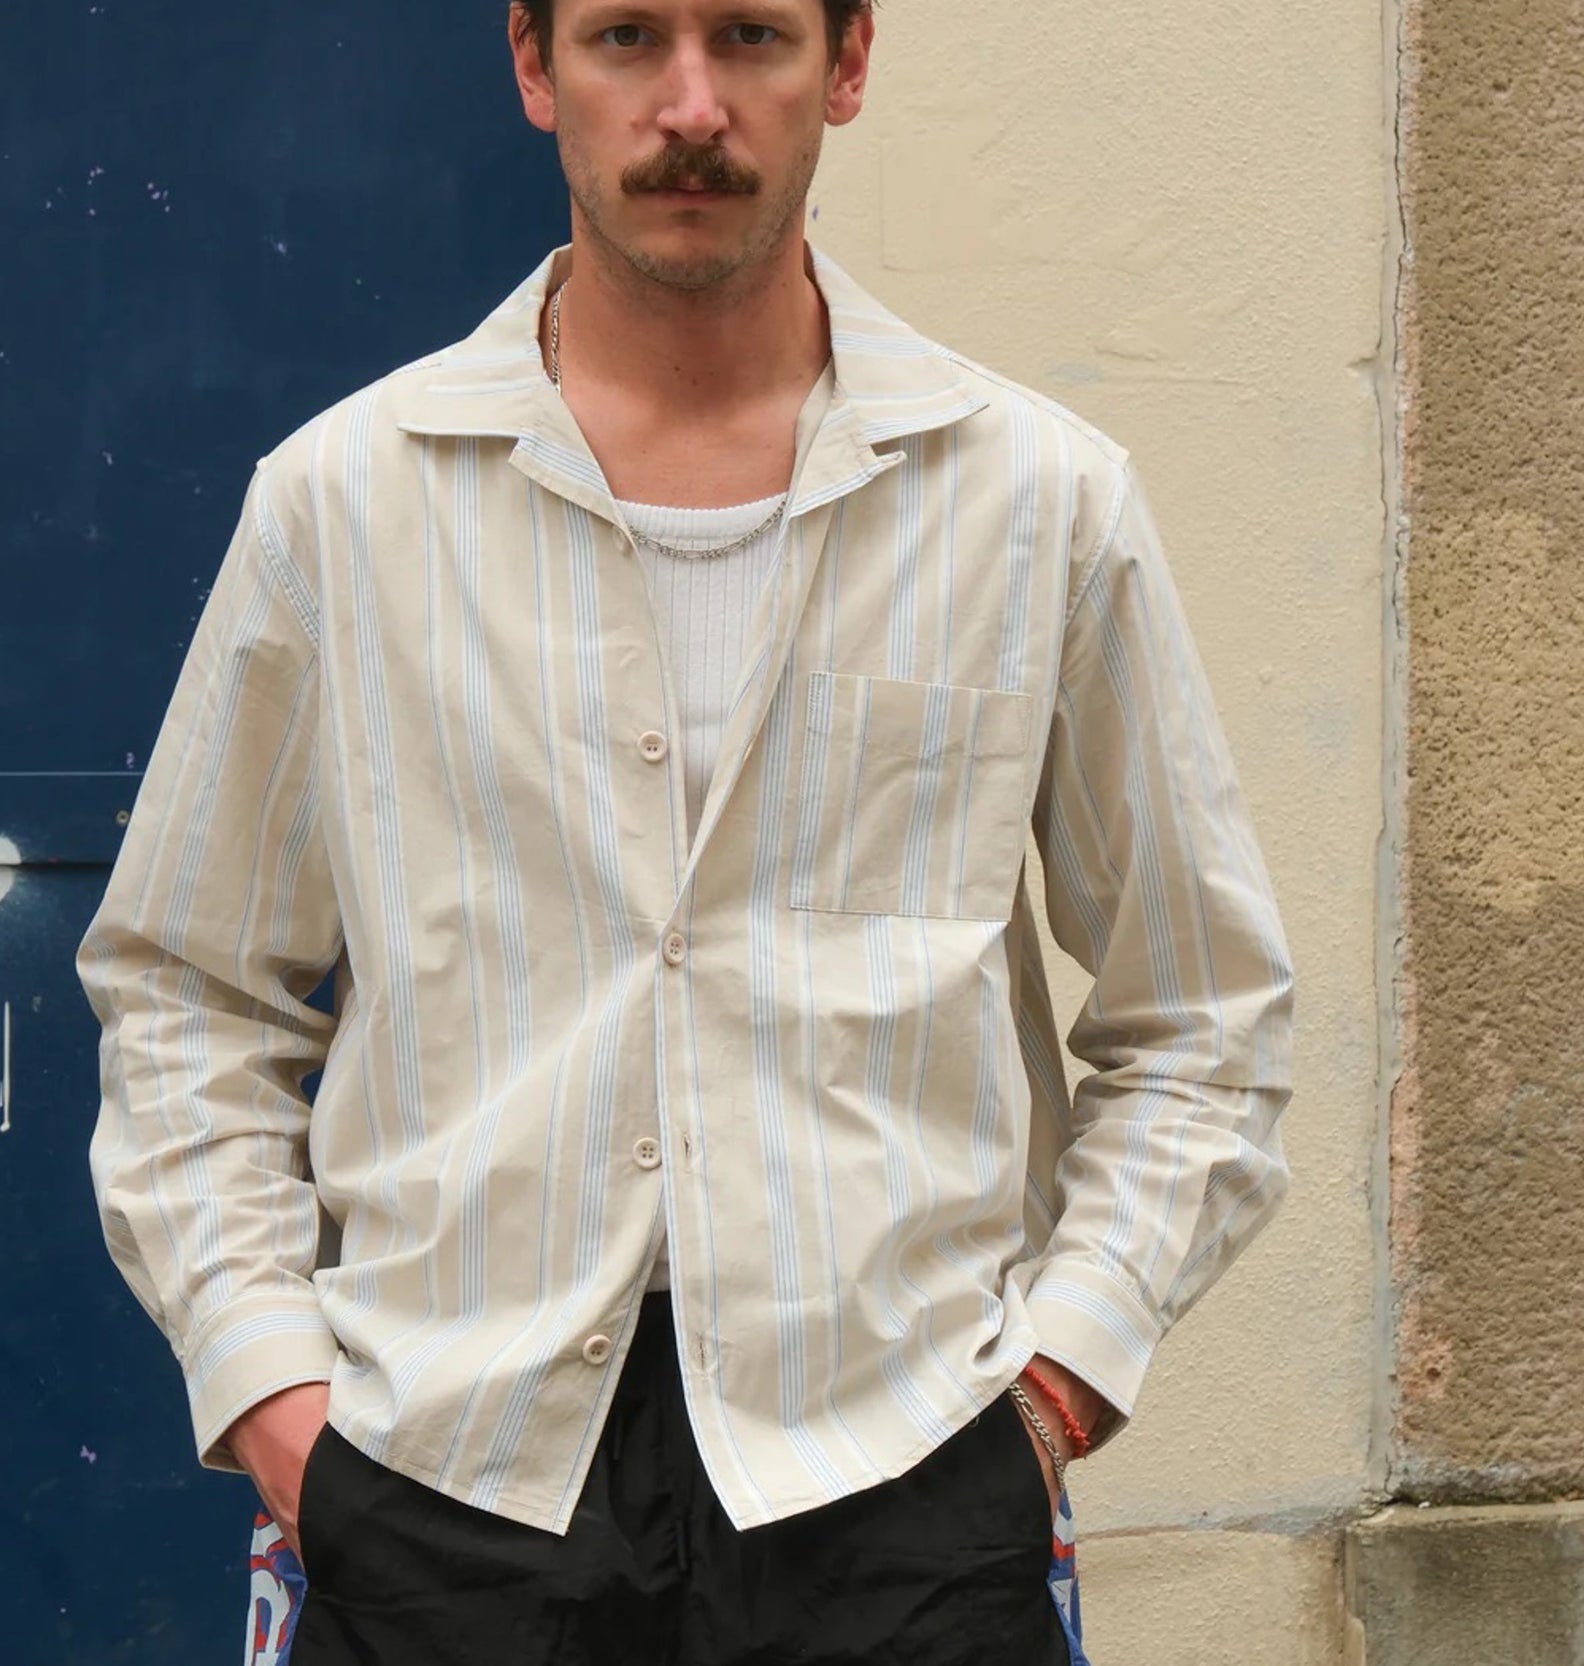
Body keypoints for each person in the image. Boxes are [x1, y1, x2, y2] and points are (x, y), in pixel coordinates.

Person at [77, 2, 1295, 1661]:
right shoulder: (347, 504)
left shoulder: (1034, 502)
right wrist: (279, 1399)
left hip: (905, 1478)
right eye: (629, 37)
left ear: (847, 64)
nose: (693, 104)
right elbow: (187, 991)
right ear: (534, 65)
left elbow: (1205, 1010)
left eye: (752, 36)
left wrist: (1058, 1381)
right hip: (441, 1485)